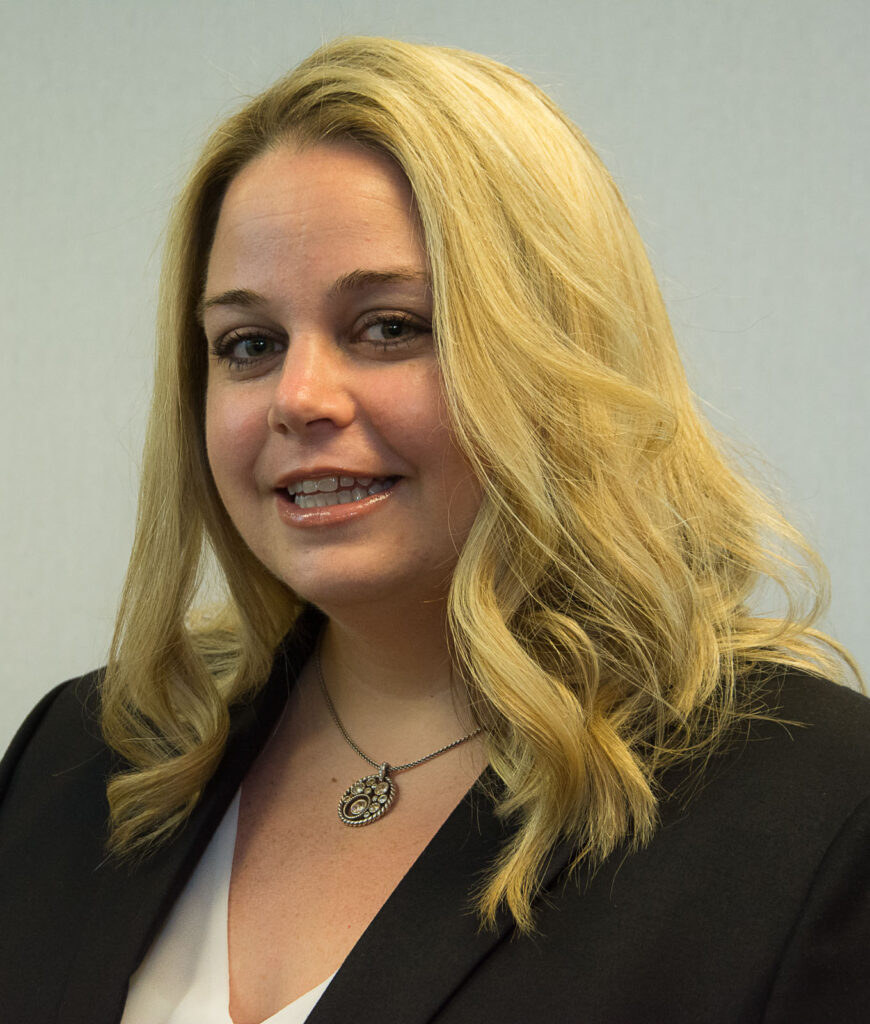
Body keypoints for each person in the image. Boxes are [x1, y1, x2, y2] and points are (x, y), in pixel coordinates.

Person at [1, 35, 868, 1024]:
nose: (299, 397)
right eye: (249, 343)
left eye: (390, 326)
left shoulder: (817, 813)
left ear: (557, 352)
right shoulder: (84, 757)